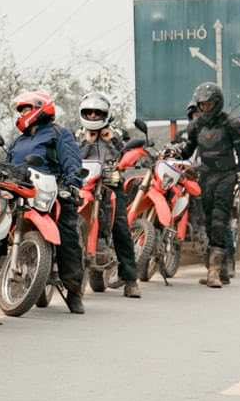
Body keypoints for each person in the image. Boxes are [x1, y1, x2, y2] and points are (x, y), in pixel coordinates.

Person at [7, 88, 86, 312]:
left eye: (26, 109)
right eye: (20, 110)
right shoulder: (18, 141)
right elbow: (8, 164)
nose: (22, 113)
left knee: (68, 235)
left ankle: (74, 291)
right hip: (19, 193)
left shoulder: (58, 134)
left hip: (51, 193)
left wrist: (72, 184)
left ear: (41, 108)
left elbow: (72, 162)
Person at [166, 83, 240, 287]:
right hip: (205, 176)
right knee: (209, 221)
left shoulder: (231, 124)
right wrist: (174, 152)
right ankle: (221, 271)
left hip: (226, 176)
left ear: (217, 103)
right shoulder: (196, 126)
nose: (204, 108)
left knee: (220, 220)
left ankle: (214, 271)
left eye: (208, 104)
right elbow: (188, 150)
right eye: (201, 105)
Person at [74, 93, 141, 298]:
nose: (93, 116)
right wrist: (87, 142)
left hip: (110, 184)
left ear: (106, 114)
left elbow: (125, 154)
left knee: (120, 226)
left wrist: (111, 140)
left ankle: (130, 279)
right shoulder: (77, 135)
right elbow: (72, 157)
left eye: (98, 113)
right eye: (89, 112)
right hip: (83, 184)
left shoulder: (115, 134)